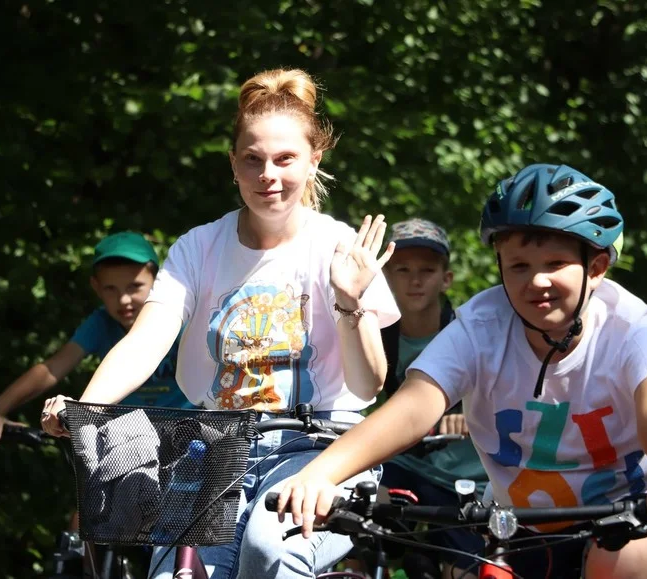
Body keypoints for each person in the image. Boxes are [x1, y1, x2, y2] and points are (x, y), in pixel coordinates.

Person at [41, 68, 400, 579]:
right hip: (217, 445)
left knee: (268, 551)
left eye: (285, 159)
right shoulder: (199, 247)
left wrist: (349, 300)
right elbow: (147, 339)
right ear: (233, 164)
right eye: (252, 159)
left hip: (323, 446)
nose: (267, 175)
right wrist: (86, 406)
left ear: (314, 160)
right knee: (175, 572)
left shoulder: (339, 246)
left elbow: (369, 384)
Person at [277, 164, 647, 579]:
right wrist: (321, 474)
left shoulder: (633, 328)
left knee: (619, 563)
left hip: (632, 519)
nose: (536, 281)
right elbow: (413, 407)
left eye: (555, 264)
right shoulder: (479, 326)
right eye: (519, 266)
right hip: (521, 531)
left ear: (595, 269)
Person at [0, 231, 191, 445]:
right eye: (111, 289)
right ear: (96, 287)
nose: (124, 299)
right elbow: (53, 368)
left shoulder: (180, 318)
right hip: (129, 441)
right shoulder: (102, 323)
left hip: (189, 436)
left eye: (134, 286)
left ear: (158, 280)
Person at [378, 218, 487, 579]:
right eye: (403, 270)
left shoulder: (471, 333)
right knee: (358, 526)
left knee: (463, 572)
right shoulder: (375, 335)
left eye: (427, 270)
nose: (415, 280)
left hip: (466, 479)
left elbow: (507, 400)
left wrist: (472, 416)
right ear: (385, 277)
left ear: (446, 278)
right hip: (406, 465)